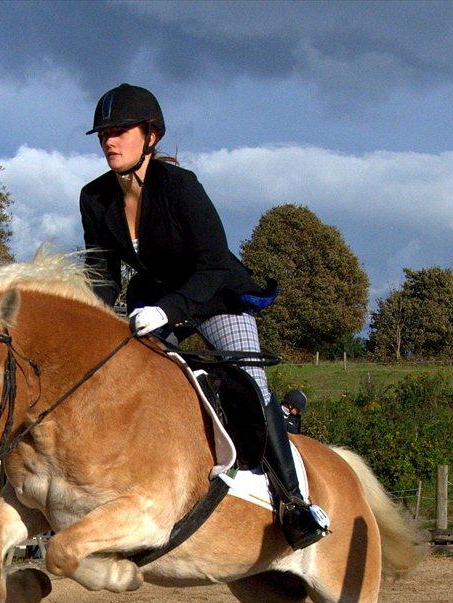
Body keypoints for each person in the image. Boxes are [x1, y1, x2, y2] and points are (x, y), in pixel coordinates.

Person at [80, 84, 329, 549]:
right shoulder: (94, 198)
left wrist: (169, 309)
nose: (110, 142)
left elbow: (213, 263)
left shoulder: (181, 187)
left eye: (120, 132)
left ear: (150, 136)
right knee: (134, 378)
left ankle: (295, 503)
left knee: (251, 381)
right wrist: (94, 317)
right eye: (103, 135)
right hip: (153, 299)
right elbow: (103, 275)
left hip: (215, 294)